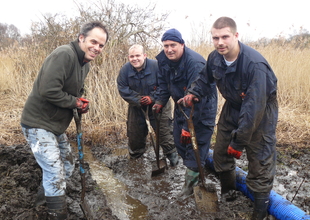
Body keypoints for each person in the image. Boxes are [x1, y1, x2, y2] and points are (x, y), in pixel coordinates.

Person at [178, 17, 278, 220]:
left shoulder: (254, 65)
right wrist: (193, 92)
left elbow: (253, 109)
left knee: (260, 161)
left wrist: (239, 141)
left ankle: (260, 213)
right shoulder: (215, 58)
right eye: (216, 38)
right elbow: (205, 79)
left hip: (260, 113)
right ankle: (228, 192)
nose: (220, 42)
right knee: (222, 153)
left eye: (225, 37)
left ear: (236, 36)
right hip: (232, 107)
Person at [20, 21, 108, 220]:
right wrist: (75, 102)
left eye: (101, 45)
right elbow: (48, 89)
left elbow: (75, 91)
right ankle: (56, 214)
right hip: (38, 124)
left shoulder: (84, 64)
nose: (97, 48)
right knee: (54, 170)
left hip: (54, 127)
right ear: (81, 38)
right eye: (93, 42)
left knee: (67, 165)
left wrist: (81, 101)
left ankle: (42, 204)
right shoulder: (64, 54)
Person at [152, 29, 217, 196]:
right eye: (166, 46)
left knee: (196, 145)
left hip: (201, 109)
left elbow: (198, 97)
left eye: (173, 45)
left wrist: (190, 127)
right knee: (180, 143)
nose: (169, 49)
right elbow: (164, 84)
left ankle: (190, 187)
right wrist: (159, 101)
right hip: (181, 107)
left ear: (182, 44)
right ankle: (195, 171)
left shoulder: (195, 64)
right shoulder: (164, 61)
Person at [117, 44, 178, 166]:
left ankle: (173, 160)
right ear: (128, 57)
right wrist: (138, 99)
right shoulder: (125, 70)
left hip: (159, 105)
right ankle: (136, 163)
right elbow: (122, 88)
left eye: (138, 55)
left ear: (144, 55)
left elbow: (165, 85)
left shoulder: (156, 66)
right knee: (135, 134)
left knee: (164, 133)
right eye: (132, 56)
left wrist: (153, 98)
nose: (135, 59)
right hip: (137, 106)